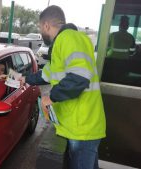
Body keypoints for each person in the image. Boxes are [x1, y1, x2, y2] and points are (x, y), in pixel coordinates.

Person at [19, 5, 106, 169]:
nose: (41, 31)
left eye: (40, 27)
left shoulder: (68, 39)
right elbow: (47, 74)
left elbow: (79, 78)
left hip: (82, 127)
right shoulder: (65, 42)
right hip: (78, 125)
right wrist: (25, 79)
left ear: (46, 25)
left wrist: (50, 97)